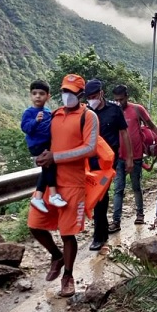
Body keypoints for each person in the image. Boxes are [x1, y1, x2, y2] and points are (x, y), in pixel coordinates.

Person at [28, 74, 99, 297]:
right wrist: (40, 156)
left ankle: (68, 276)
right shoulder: (55, 114)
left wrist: (56, 157)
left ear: (80, 94)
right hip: (51, 182)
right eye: (64, 90)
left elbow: (89, 148)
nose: (66, 95)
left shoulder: (89, 117)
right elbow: (43, 140)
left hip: (74, 184)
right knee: (35, 225)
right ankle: (56, 256)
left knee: (68, 233)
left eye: (71, 92)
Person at [84, 79, 132, 251]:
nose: (92, 100)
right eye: (89, 97)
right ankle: (102, 233)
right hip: (89, 163)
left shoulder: (114, 110)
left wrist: (129, 158)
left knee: (100, 197)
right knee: (97, 198)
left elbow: (124, 133)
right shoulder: (86, 112)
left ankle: (98, 237)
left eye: (94, 96)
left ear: (102, 93)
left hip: (108, 164)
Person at [109, 85, 157, 232]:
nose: (119, 102)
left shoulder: (137, 109)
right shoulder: (114, 111)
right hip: (119, 156)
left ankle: (140, 214)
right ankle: (116, 221)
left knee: (136, 186)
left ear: (127, 97)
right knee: (118, 189)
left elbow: (151, 126)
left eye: (121, 99)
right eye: (116, 100)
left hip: (136, 156)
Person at [20, 80, 68, 213]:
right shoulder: (29, 112)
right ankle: (52, 195)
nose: (37, 96)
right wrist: (35, 121)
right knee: (49, 166)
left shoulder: (48, 111)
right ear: (30, 95)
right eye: (34, 93)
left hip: (47, 144)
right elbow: (25, 128)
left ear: (48, 96)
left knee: (47, 169)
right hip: (37, 145)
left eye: (41, 93)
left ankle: (39, 197)